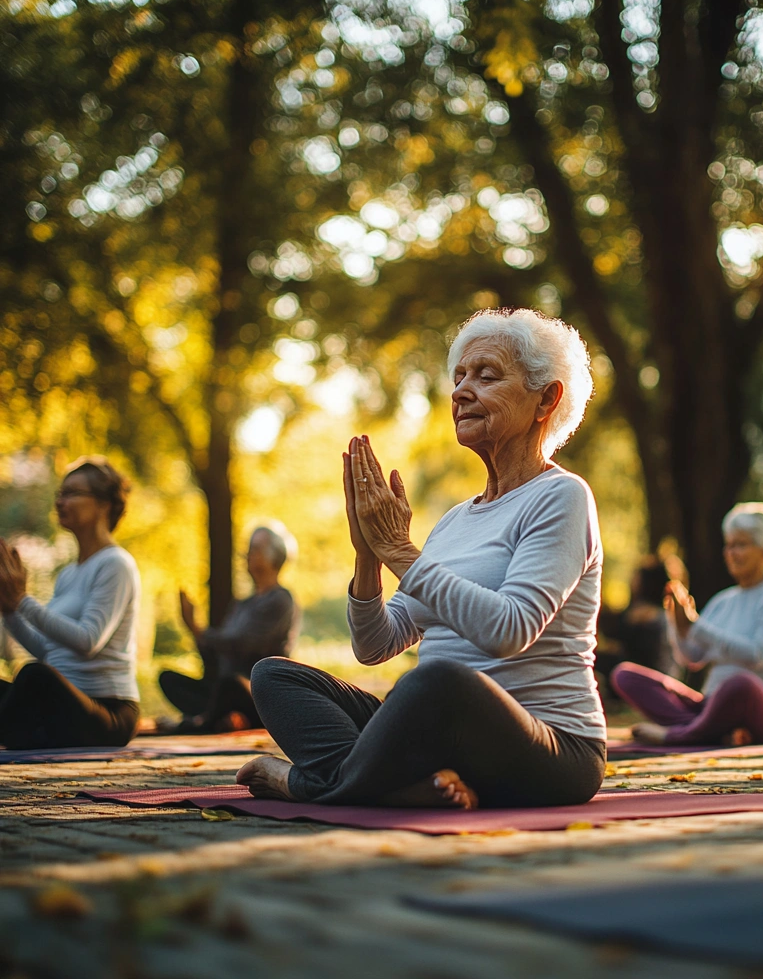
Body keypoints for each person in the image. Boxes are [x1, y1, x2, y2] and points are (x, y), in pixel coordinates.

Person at [236, 308, 607, 810]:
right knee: (275, 676)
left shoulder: (562, 497)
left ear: (546, 398)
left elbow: (509, 630)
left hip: (550, 749)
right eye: (458, 378)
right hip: (442, 734)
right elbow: (376, 645)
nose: (460, 392)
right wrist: (368, 556)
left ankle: (307, 784)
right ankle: (389, 786)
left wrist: (400, 551)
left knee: (438, 680)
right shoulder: (455, 521)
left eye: (486, 376)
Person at [611, 503, 763, 747]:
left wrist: (695, 626)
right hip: (711, 706)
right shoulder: (724, 600)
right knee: (626, 675)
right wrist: (677, 623)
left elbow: (757, 654)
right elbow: (692, 657)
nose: (731, 553)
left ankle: (680, 735)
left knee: (739, 683)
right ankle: (711, 731)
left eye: (741, 545)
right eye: (728, 545)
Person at [0, 458, 141, 750]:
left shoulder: (116, 564)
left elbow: (88, 640)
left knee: (33, 675)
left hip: (107, 712)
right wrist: (9, 609)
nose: (60, 502)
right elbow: (47, 650)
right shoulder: (68, 573)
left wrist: (23, 601)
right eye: (59, 494)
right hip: (62, 705)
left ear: (104, 504)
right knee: (28, 676)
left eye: (72, 493)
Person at [159, 525, 301, 733]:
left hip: (257, 694)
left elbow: (243, 645)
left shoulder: (281, 600)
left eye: (255, 548)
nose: (247, 554)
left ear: (275, 556)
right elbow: (216, 652)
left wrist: (198, 628)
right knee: (169, 679)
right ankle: (219, 717)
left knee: (232, 684)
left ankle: (202, 723)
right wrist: (194, 631)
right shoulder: (241, 605)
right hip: (223, 691)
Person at [594, 555, 676, 696]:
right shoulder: (661, 614)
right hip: (657, 675)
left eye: (637, 577)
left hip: (651, 678)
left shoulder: (648, 616)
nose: (633, 581)